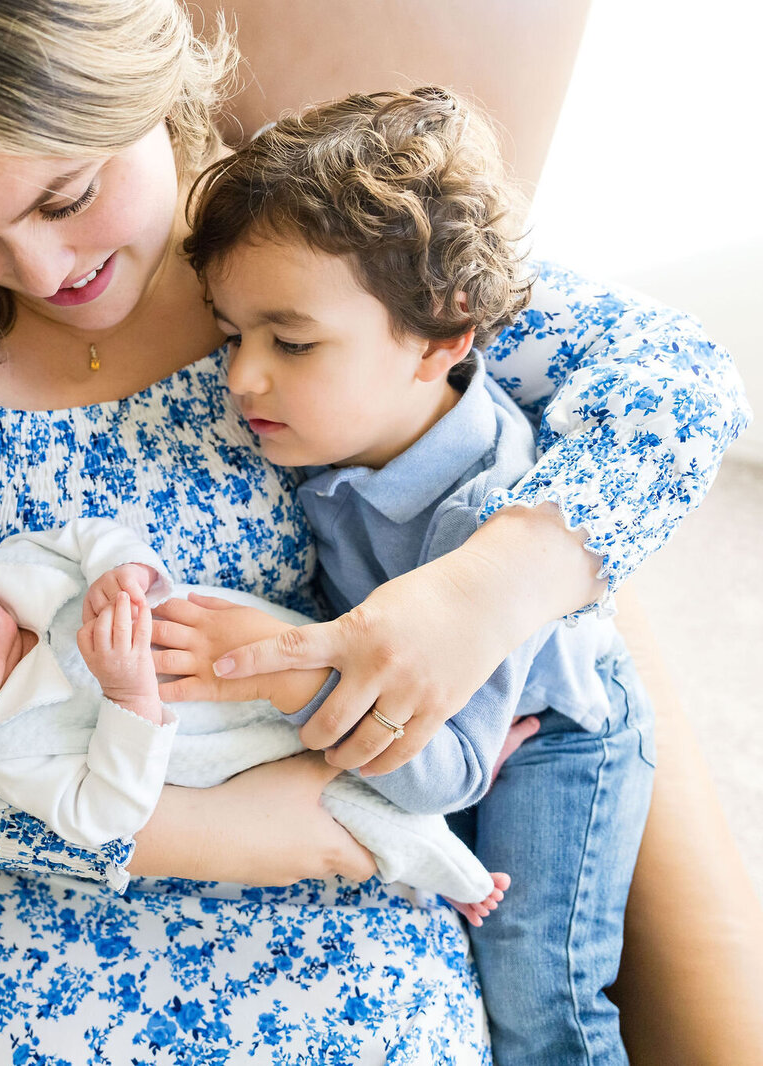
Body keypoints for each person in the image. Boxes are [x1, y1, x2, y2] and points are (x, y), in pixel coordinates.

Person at [0, 0, 750, 1059]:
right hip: (23, 892)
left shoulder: (318, 253)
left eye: (68, 196)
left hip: (341, 884)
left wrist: (480, 594)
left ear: (152, 81)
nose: (41, 272)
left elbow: (682, 387)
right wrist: (209, 837)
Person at [167, 88, 654, 1063]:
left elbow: (447, 772)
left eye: (290, 342)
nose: (240, 378)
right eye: (231, 334)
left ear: (441, 338)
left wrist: (280, 667)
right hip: (443, 729)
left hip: (546, 747)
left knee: (536, 998)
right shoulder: (323, 431)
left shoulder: (476, 514)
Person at [0, 517, 505, 909]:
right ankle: (462, 878)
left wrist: (121, 572)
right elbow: (103, 813)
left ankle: (479, 715)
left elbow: (88, 536)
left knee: (371, 661)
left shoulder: (2, 572)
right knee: (371, 801)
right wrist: (128, 698)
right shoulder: (5, 754)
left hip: (256, 639)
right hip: (240, 750)